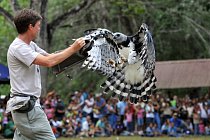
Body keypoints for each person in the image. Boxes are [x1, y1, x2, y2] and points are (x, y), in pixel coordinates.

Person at [5, 8, 85, 140]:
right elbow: (49, 62)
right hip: (28, 110)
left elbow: (53, 58)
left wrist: (80, 52)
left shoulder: (30, 45)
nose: (39, 29)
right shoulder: (18, 48)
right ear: (30, 27)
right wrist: (73, 48)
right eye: (38, 26)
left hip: (26, 108)